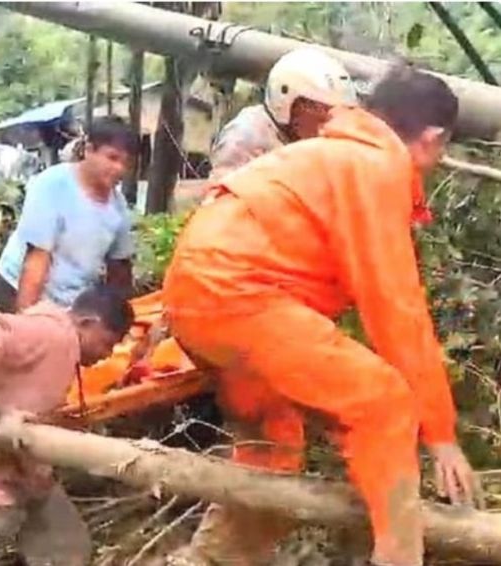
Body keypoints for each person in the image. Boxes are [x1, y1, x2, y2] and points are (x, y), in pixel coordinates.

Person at [163, 66, 476, 566]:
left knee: (272, 451)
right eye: (440, 151)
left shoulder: (327, 155)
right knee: (385, 402)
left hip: (201, 297)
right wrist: (439, 435)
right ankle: (400, 558)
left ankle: (209, 561)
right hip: (239, 297)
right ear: (432, 139)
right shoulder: (374, 168)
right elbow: (396, 309)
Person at [0, 285, 134, 566]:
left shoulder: (62, 342)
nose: (108, 354)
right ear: (88, 323)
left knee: (68, 550)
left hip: (23, 474)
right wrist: (2, 413)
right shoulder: (50, 333)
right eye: (108, 343)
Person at [0, 116, 137, 313]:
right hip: (20, 288)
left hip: (72, 300)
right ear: (89, 150)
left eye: (126, 163)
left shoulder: (117, 206)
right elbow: (37, 258)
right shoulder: (52, 185)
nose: (119, 168)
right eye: (112, 158)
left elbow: (120, 267)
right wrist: (25, 321)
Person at [209, 48, 358, 180]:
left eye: (331, 112)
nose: (326, 121)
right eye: (316, 110)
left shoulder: (314, 142)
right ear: (286, 102)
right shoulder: (246, 137)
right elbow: (221, 198)